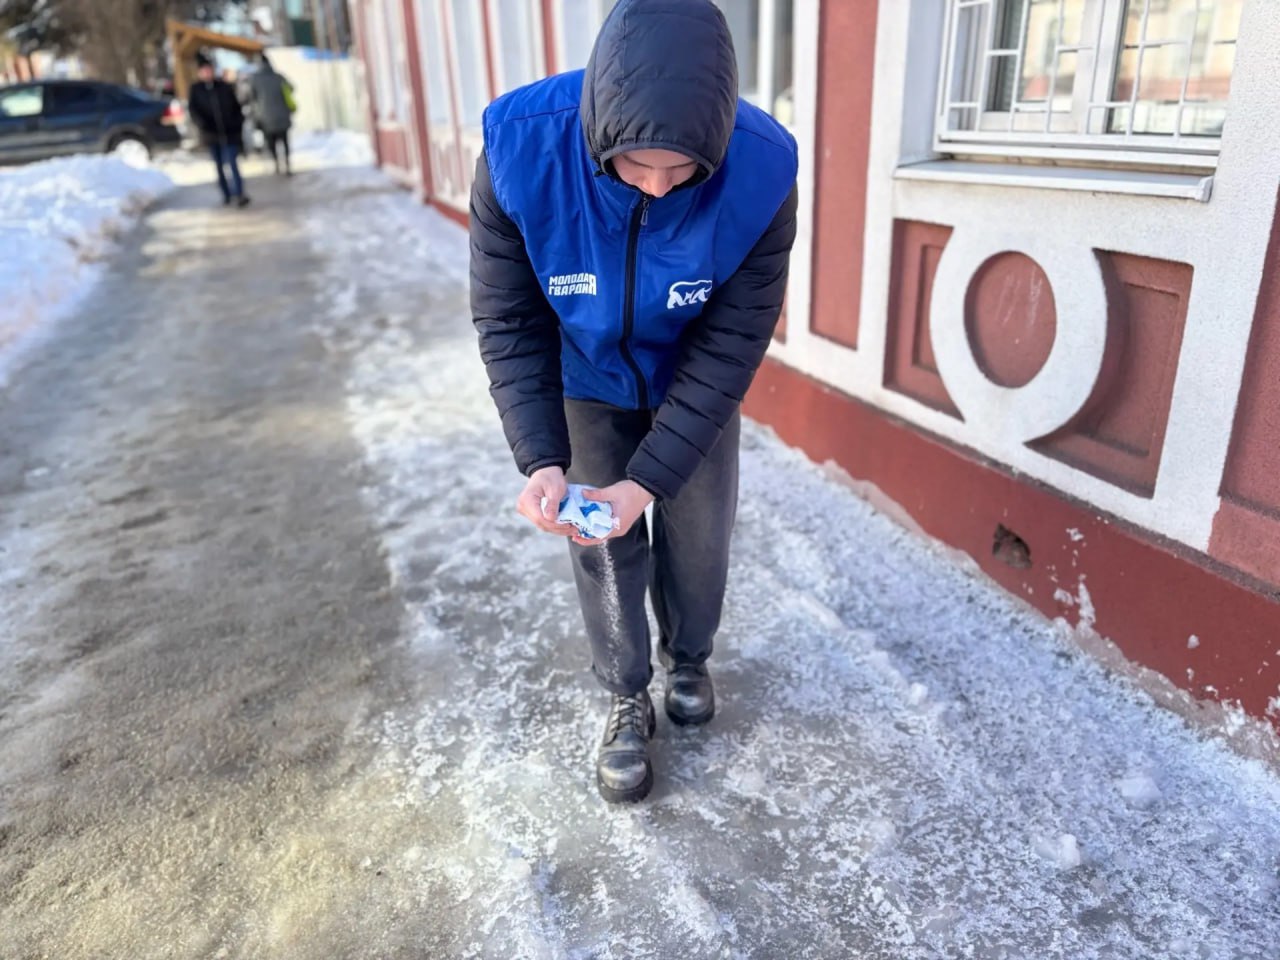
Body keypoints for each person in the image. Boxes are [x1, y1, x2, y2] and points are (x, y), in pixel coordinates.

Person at [470, 0, 798, 804]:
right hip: (585, 379)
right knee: (602, 545)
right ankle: (625, 694)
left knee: (700, 537)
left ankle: (690, 658)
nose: (657, 185)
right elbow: (510, 319)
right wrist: (541, 457)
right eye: (636, 166)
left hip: (693, 381)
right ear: (597, 132)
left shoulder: (762, 172)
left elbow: (732, 343)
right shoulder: (519, 152)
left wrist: (648, 481)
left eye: (681, 172)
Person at [187, 52, 251, 208]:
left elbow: (236, 107)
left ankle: (240, 193)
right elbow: (194, 111)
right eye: (204, 70)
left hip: (229, 132)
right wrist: (203, 125)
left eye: (209, 69)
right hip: (211, 135)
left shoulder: (223, 87)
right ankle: (226, 194)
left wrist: (237, 123)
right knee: (219, 166)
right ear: (200, 72)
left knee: (233, 163)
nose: (207, 73)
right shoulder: (196, 90)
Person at [250, 54, 295, 176]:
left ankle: (277, 164)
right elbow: (291, 88)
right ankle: (287, 165)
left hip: (266, 117)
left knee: (272, 143)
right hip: (283, 115)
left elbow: (251, 97)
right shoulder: (278, 76)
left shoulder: (255, 79)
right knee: (284, 141)